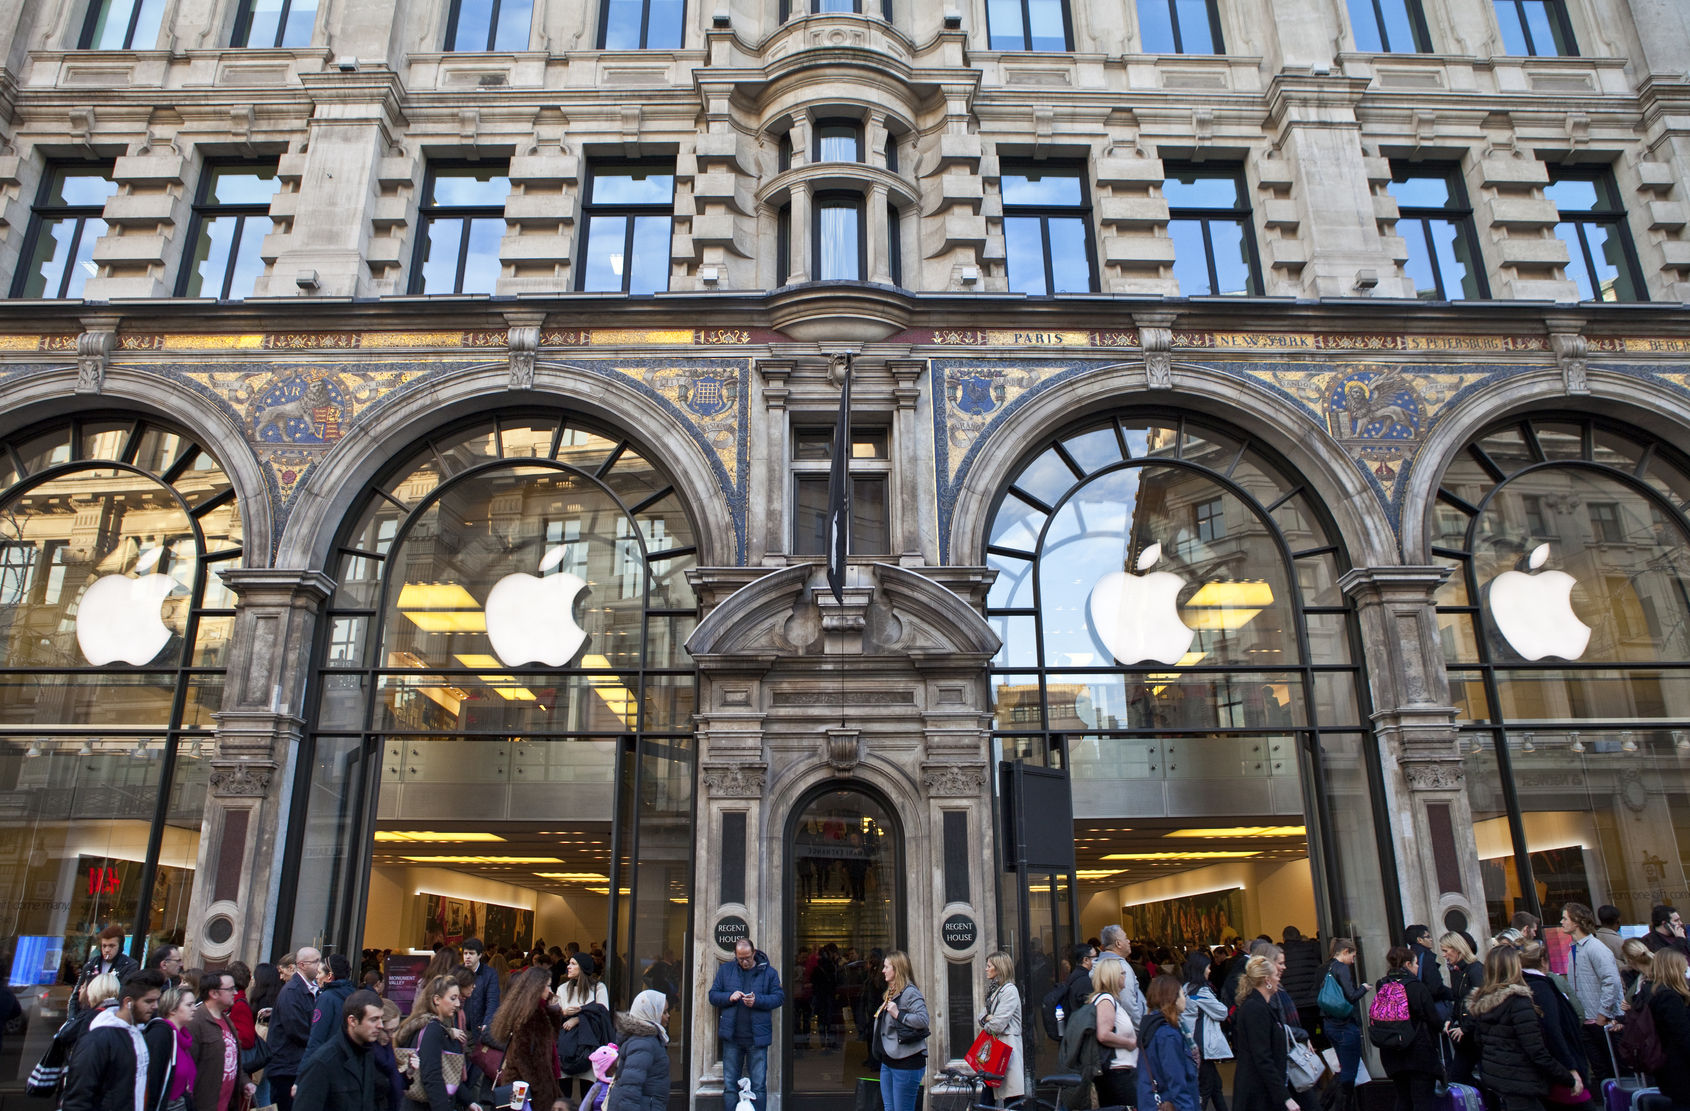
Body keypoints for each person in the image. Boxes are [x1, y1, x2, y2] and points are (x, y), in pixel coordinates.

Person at [1465, 945, 1580, 1111]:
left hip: (1497, 1078)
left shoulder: (1483, 1002)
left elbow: (1479, 1041)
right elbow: (1536, 1051)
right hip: (1521, 1081)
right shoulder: (1518, 1002)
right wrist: (1568, 1077)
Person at [62, 970, 165, 1111]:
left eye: (156, 1000)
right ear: (128, 1002)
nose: (155, 1006)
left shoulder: (137, 1033)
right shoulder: (98, 1039)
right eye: (149, 1001)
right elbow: (78, 1099)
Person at [708, 939, 785, 1111]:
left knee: (758, 1086)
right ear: (735, 955)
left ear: (754, 953)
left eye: (748, 958)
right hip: (732, 1037)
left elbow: (779, 997)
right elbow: (712, 995)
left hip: (757, 1038)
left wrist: (758, 1000)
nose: (744, 962)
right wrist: (729, 997)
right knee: (729, 1086)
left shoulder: (769, 973)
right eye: (740, 958)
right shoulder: (725, 970)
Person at [1517, 941, 1590, 1111]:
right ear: (1543, 960)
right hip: (1557, 1067)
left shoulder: (1529, 985)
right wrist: (1570, 1068)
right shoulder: (1541, 987)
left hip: (1548, 1067)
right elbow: (1553, 1030)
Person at [395, 974, 484, 1111]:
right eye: (453, 998)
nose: (458, 1004)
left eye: (458, 998)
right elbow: (433, 1076)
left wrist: (468, 1101)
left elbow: (445, 1072)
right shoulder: (433, 1029)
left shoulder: (429, 1026)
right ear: (437, 999)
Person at [292, 990, 386, 1111]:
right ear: (352, 1021)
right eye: (374, 1019)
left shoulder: (367, 1053)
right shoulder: (322, 1063)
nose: (381, 1025)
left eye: (381, 1019)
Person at [1562, 902, 1624, 1085]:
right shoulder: (1574, 949)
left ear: (1577, 922)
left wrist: (1603, 1013)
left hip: (1601, 1020)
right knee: (1601, 1070)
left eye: (1565, 918)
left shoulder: (1595, 947)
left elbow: (1611, 980)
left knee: (1615, 1069)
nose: (1562, 922)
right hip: (1587, 1019)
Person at [1375, 946, 1441, 1111]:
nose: (1418, 967)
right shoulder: (1416, 987)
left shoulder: (1382, 984)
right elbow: (1433, 1019)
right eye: (1415, 963)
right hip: (1418, 1052)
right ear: (1407, 964)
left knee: (1403, 1099)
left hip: (1391, 1051)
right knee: (1422, 1100)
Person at [490, 966, 566, 1111]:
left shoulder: (537, 1010)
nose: (550, 991)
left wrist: (554, 1011)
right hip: (527, 1088)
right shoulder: (530, 1014)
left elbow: (551, 1041)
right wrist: (539, 1087)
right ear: (536, 987)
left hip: (532, 1085)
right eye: (548, 986)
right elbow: (522, 1055)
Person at [1233, 955, 1296, 1111]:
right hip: (1258, 1093)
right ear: (1267, 980)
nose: (1278, 980)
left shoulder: (1259, 1006)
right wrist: (1285, 1097)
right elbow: (1262, 1057)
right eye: (1276, 976)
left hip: (1261, 1090)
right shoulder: (1256, 1008)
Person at [268, 946, 322, 1111]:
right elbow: (296, 1029)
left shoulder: (309, 989)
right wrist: (319, 1044)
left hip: (294, 1066)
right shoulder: (292, 991)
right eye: (316, 962)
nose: (319, 966)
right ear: (302, 965)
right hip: (287, 1068)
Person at [874, 950, 929, 1111]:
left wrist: (899, 1014)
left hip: (907, 1063)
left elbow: (923, 1020)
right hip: (889, 1061)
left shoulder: (910, 993)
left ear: (896, 969)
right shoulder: (891, 992)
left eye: (886, 967)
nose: (883, 970)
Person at [192, 970, 254, 1111]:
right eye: (230, 989)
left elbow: (232, 1062)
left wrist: (244, 1082)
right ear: (214, 993)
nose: (235, 992)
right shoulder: (196, 1021)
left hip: (226, 1104)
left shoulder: (226, 1019)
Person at [1139, 974, 1199, 1111]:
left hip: (1153, 1100)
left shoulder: (1151, 1025)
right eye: (1182, 995)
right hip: (1171, 1102)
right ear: (1173, 998)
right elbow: (1176, 1079)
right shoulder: (1168, 1034)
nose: (1185, 999)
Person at [1181, 951, 1231, 1111]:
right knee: (1206, 1088)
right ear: (1200, 968)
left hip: (1191, 1042)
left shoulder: (1185, 988)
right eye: (1208, 967)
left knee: (1215, 1086)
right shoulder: (1200, 992)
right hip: (1202, 1045)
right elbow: (1222, 1012)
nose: (1210, 971)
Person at [558, 953, 612, 1101]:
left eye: (573, 963)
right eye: (569, 963)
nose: (568, 966)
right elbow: (554, 1014)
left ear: (583, 967)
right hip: (566, 1050)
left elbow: (602, 1013)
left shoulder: (598, 988)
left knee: (588, 1096)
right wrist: (563, 1013)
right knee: (564, 1095)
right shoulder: (563, 989)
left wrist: (577, 1019)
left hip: (589, 1049)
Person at [1322, 938, 1369, 1111]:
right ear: (1345, 952)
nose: (1353, 960)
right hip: (1344, 1026)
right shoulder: (1342, 968)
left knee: (1343, 1070)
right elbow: (1351, 995)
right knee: (1349, 1074)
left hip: (1331, 1025)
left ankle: (1324, 1104)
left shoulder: (1327, 967)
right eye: (1353, 955)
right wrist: (1363, 988)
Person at [608, 989, 671, 1111]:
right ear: (651, 1013)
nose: (668, 1016)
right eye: (664, 1012)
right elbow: (631, 1085)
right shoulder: (643, 1042)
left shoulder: (648, 1039)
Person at [1089, 958, 1140, 1108]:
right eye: (1122, 973)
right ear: (1112, 976)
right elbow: (1103, 1034)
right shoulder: (1106, 1000)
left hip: (1119, 1073)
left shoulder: (1109, 1000)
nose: (1125, 976)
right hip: (1116, 1074)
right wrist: (1129, 1043)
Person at [1646, 949, 1690, 1111]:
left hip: (1667, 1066)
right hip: (1679, 1068)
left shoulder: (1652, 992)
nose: (1685, 974)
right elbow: (1682, 1035)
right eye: (1683, 970)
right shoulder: (1669, 997)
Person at [979, 951, 1026, 1104]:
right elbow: (981, 1017)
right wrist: (988, 1019)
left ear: (999, 969)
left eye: (989, 966)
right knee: (988, 1095)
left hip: (1007, 1049)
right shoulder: (995, 991)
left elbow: (998, 1024)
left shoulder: (1009, 991)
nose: (986, 969)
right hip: (996, 1049)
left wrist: (989, 1021)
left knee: (1012, 1098)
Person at [69, 926, 142, 1022]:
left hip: (110, 1018)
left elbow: (123, 995)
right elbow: (75, 995)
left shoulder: (130, 965)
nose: (107, 950)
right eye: (104, 946)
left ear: (120, 946)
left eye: (111, 946)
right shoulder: (91, 964)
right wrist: (72, 1019)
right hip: (85, 1016)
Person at [1440, 932, 1484, 1086]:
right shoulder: (1459, 972)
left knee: (1466, 1076)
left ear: (1457, 949)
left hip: (1477, 1035)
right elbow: (1458, 1002)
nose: (1444, 955)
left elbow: (1480, 1003)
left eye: (1446, 950)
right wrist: (1450, 1020)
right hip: (1467, 1037)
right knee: (1458, 1076)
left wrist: (1465, 1028)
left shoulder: (1475, 970)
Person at [143, 983, 192, 1111]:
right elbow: (152, 1081)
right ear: (172, 1009)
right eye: (189, 1005)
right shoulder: (161, 1035)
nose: (195, 1008)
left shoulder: (183, 1038)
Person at [305, 954, 356, 1057]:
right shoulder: (354, 995)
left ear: (329, 976)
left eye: (319, 973)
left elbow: (317, 1036)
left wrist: (305, 1068)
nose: (316, 977)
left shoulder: (326, 998)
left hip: (326, 1060)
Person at [1097, 925, 1148, 1025]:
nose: (1129, 941)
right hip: (1128, 1030)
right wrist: (1139, 1029)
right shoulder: (1121, 967)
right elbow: (1127, 1002)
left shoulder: (1099, 964)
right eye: (1126, 938)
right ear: (1118, 943)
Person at [461, 940, 501, 1040]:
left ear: (480, 955)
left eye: (471, 953)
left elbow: (492, 1000)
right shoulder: (458, 972)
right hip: (459, 1028)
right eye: (465, 953)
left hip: (478, 1029)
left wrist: (487, 1023)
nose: (467, 956)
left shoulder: (489, 974)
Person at [1062, 942, 1099, 1018]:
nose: (1097, 960)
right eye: (1095, 957)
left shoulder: (1075, 975)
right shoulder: (1085, 981)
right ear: (1086, 960)